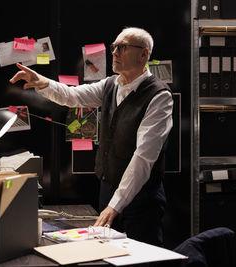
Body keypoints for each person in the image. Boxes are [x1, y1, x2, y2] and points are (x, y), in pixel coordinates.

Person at [9, 27, 173, 246]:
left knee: (143, 259)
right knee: (108, 254)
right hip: (108, 189)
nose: (114, 52)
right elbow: (72, 95)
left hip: (141, 198)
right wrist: (41, 81)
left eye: (122, 48)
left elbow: (143, 157)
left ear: (143, 55)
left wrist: (115, 206)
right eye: (114, 47)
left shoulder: (159, 97)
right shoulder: (110, 85)